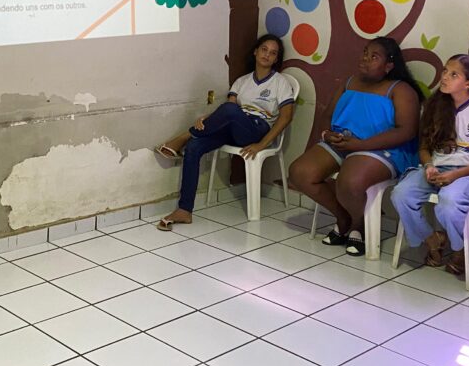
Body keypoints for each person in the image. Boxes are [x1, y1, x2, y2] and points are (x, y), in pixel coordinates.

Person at [289, 37, 422, 256]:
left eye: (374, 57)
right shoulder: (349, 82)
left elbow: (406, 131)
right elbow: (328, 114)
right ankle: (344, 217)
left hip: (382, 148)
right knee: (300, 172)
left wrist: (362, 144)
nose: (365, 59)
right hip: (344, 142)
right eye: (365, 53)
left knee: (349, 181)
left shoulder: (401, 90)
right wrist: (327, 134)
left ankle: (358, 226)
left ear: (389, 65)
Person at [154, 34, 296, 230]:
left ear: (276, 59)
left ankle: (184, 136)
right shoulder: (242, 81)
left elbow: (286, 117)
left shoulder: (280, 82)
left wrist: (262, 144)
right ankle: (184, 210)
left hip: (257, 130)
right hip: (234, 128)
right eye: (264, 49)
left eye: (273, 53)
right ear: (255, 52)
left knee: (229, 110)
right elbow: (228, 113)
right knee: (194, 147)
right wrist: (207, 120)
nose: (267, 55)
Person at [390, 55, 469, 275]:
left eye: (454, 74)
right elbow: (424, 148)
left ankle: (461, 250)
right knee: (401, 194)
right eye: (444, 71)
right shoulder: (435, 105)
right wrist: (429, 166)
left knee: (449, 203)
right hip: (437, 169)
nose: (444, 77)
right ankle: (432, 240)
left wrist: (454, 175)